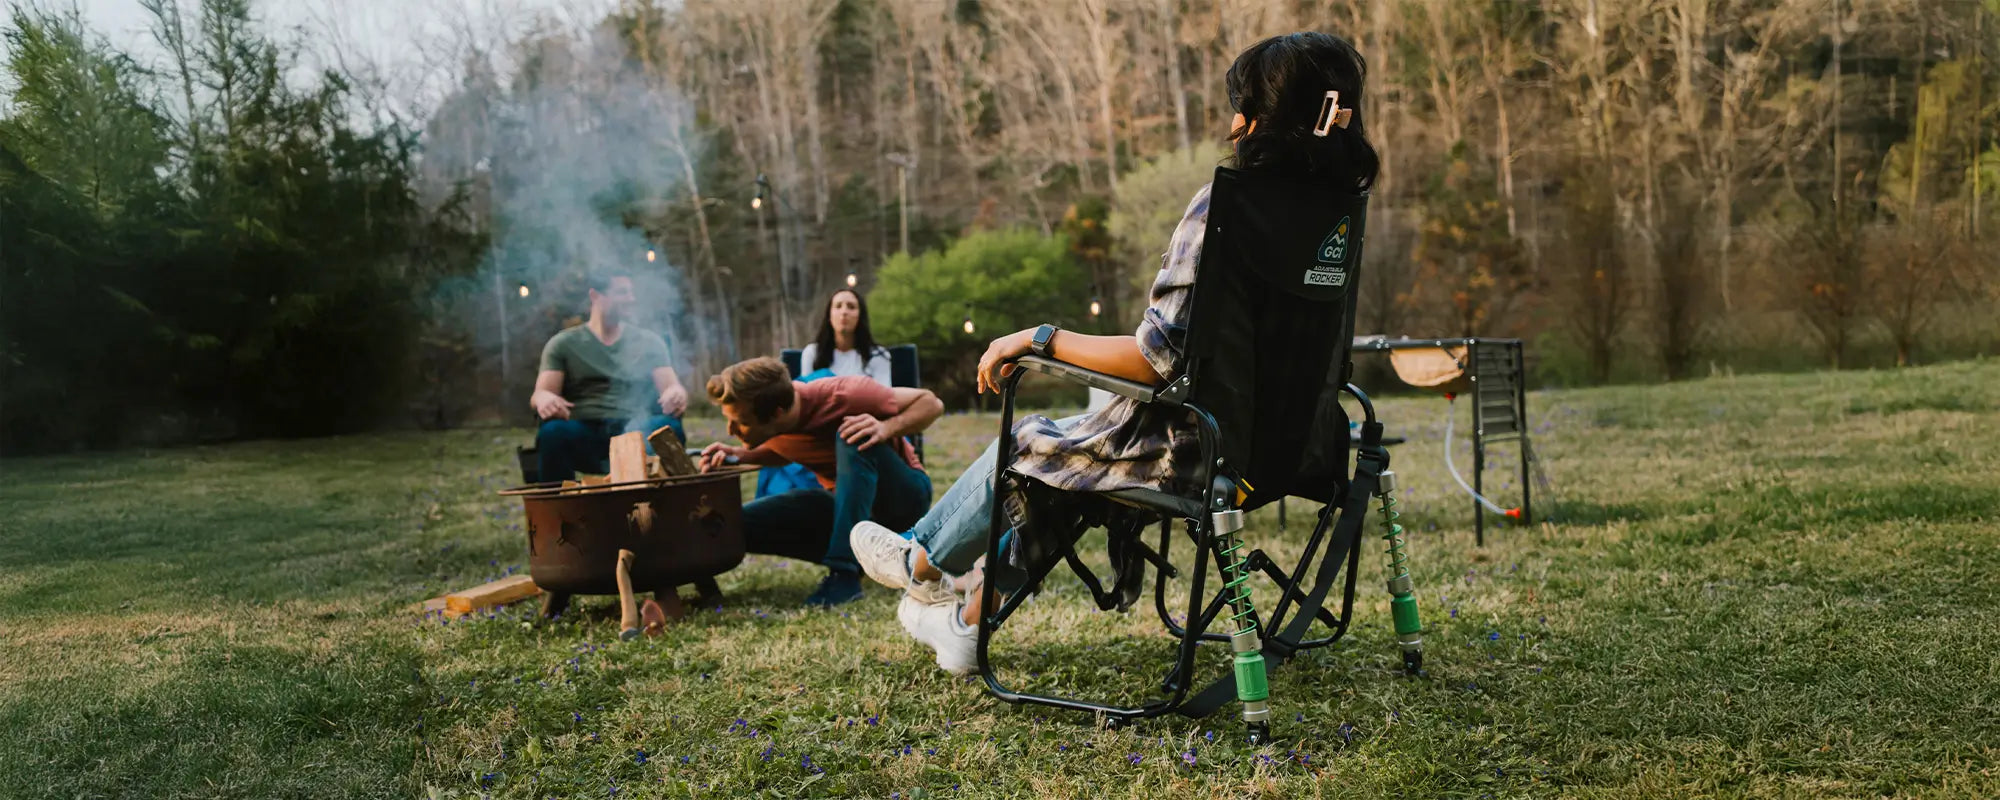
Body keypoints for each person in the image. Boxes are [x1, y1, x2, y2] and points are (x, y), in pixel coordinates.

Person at [845, 31, 1382, 674]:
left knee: (1029, 445)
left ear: (1250, 120)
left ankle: (921, 561)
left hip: (1192, 454)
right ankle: (965, 617)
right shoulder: (1337, 217)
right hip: (1295, 451)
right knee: (1064, 461)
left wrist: (1037, 339)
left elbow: (1156, 358)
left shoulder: (1230, 209)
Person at [698, 357, 943, 607]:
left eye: (741, 422)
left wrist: (886, 428)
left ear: (778, 414)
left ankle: (844, 574)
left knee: (851, 435)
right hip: (845, 508)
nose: (731, 430)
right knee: (737, 523)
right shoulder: (776, 417)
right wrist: (739, 456)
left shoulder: (846, 395)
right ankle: (702, 585)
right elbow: (786, 449)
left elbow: (931, 403)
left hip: (901, 503)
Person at [530, 271, 689, 483]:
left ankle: (667, 505)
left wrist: (675, 394)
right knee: (552, 433)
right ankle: (559, 510)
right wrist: (544, 399)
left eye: (631, 293)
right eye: (622, 293)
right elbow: (541, 393)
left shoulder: (649, 342)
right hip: (584, 430)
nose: (631, 299)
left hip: (636, 428)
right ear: (596, 296)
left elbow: (672, 387)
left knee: (669, 428)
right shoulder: (563, 344)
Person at [759, 289, 895, 498]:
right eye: (838, 306)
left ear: (861, 315)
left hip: (856, 430)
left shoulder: (878, 356)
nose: (844, 312)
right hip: (817, 428)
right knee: (779, 449)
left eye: (851, 307)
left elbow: (886, 401)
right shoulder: (812, 353)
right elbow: (802, 398)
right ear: (829, 315)